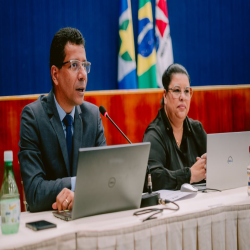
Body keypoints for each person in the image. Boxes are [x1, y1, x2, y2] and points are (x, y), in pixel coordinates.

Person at [18, 27, 106, 212]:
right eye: (74, 65)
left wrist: (79, 192)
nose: (82, 75)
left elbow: (105, 179)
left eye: (85, 65)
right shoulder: (33, 117)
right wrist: (78, 184)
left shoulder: (93, 116)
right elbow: (34, 193)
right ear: (55, 74)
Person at [143, 63, 207, 191]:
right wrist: (190, 175)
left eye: (186, 91)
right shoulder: (154, 134)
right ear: (165, 96)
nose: (182, 97)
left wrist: (211, 165)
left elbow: (217, 165)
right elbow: (153, 178)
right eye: (177, 90)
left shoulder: (197, 129)